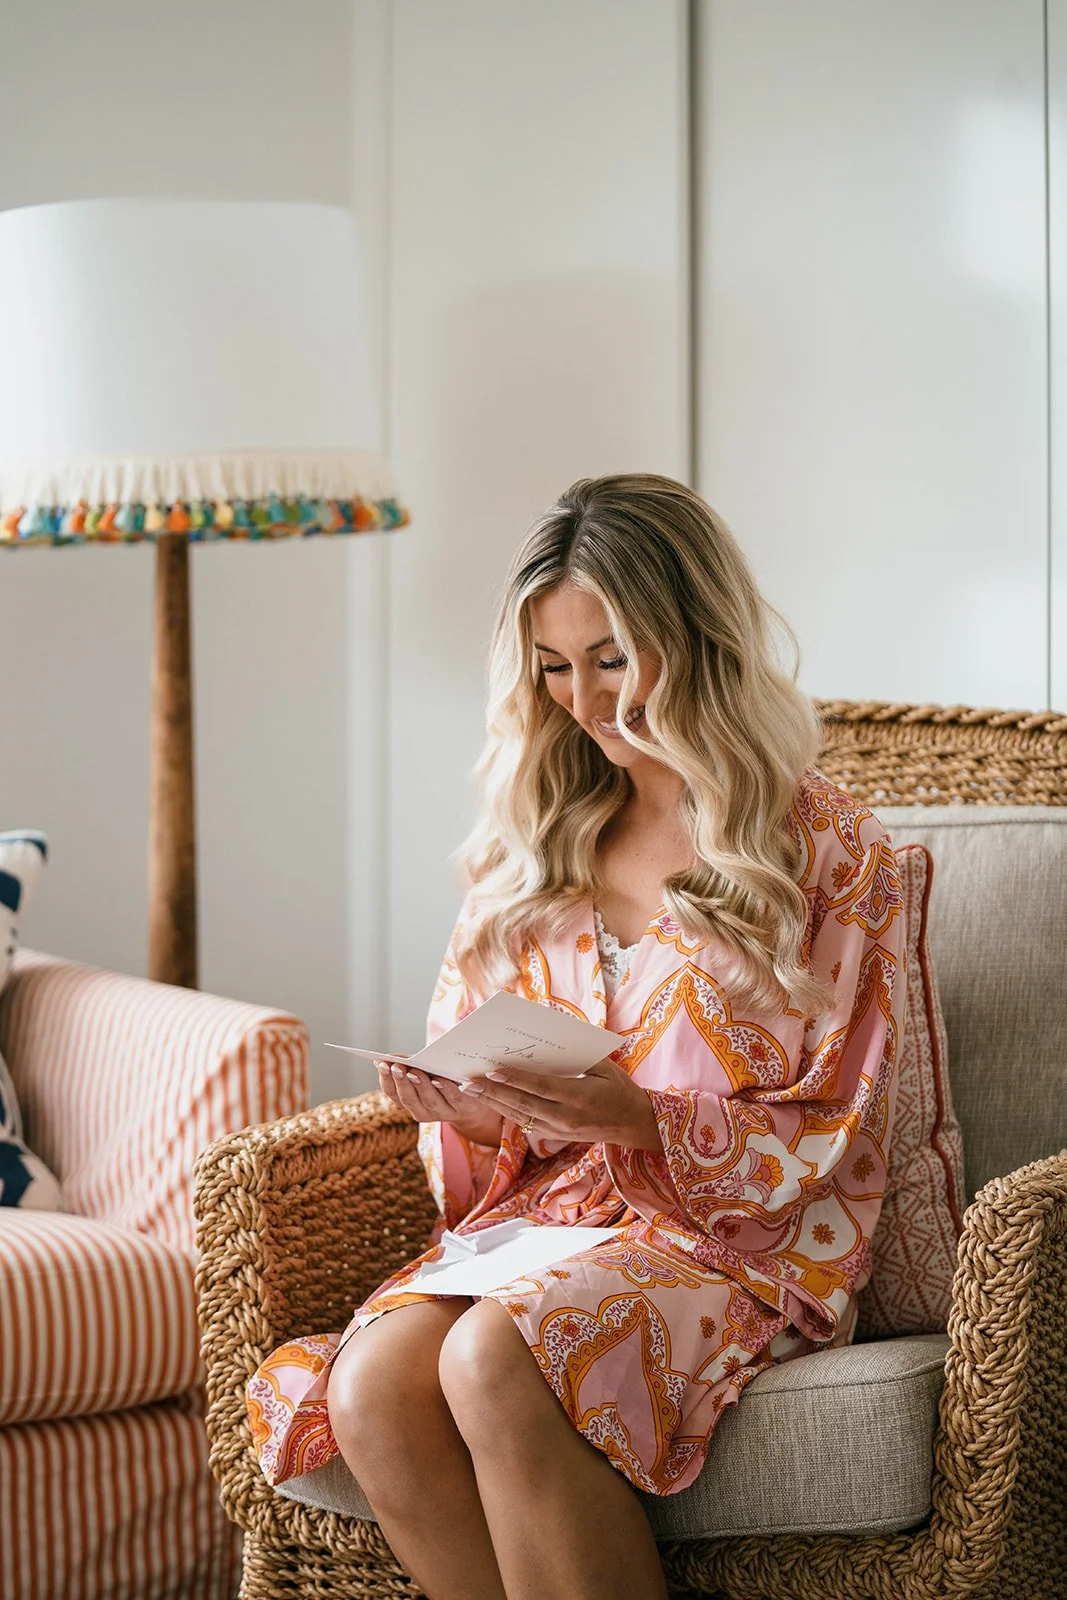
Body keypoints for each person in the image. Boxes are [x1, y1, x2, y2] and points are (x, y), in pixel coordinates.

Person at [247, 474, 907, 1600]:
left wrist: (644, 1120)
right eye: (553, 666)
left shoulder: (825, 847)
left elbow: (845, 1120)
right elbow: (484, 1114)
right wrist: (466, 1113)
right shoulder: (536, 843)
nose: (584, 701)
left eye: (610, 658)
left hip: (737, 1240)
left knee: (491, 1355)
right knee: (369, 1389)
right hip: (548, 1226)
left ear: (694, 637)